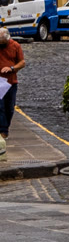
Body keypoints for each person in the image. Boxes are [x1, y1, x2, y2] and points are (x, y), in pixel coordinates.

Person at [0, 29, 23, 159]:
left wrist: (12, 68)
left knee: (9, 107)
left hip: (11, 82)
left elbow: (22, 62)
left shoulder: (15, 46)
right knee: (0, 107)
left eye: (2, 42)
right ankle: (3, 130)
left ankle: (5, 127)